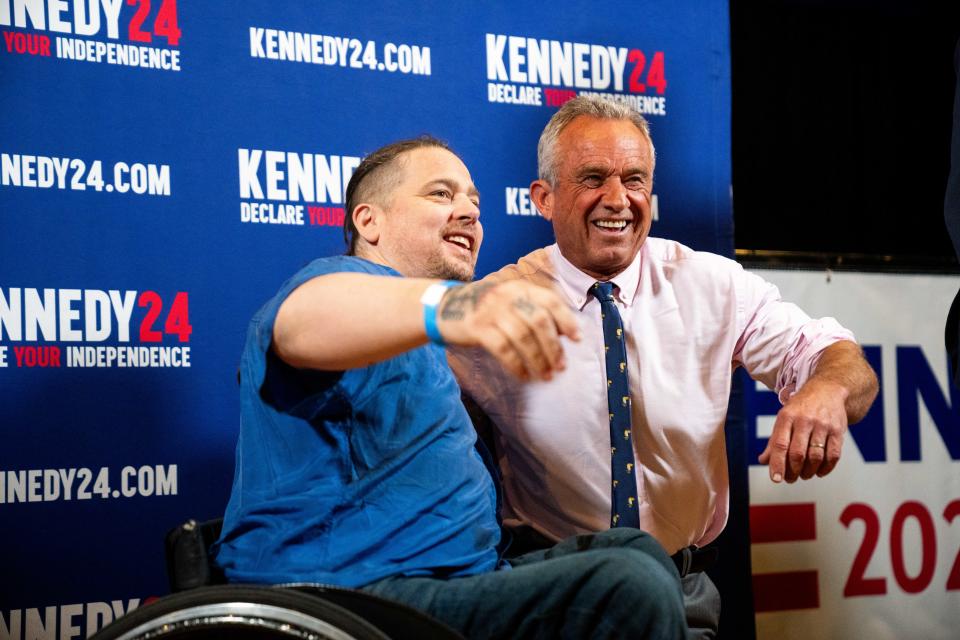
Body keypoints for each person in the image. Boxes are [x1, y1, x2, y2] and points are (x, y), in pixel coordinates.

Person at [212, 135, 688, 639]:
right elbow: (300, 323)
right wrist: (455, 307)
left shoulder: (423, 337)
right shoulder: (341, 283)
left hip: (459, 577)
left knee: (636, 550)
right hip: (352, 595)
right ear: (368, 220)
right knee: (626, 587)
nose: (467, 212)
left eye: (473, 202)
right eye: (441, 195)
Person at [450, 96, 880, 638]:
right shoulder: (490, 309)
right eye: (592, 178)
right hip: (553, 597)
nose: (618, 199)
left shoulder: (712, 284)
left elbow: (838, 358)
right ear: (544, 198)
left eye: (634, 179)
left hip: (684, 596)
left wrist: (826, 391)